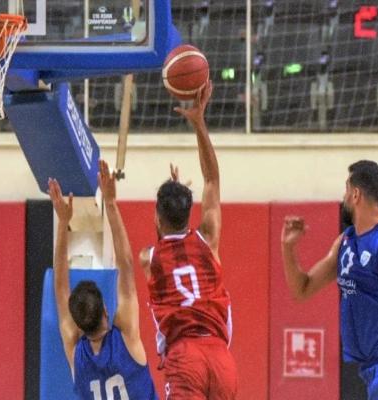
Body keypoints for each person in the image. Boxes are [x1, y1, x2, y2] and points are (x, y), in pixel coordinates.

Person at [281, 160, 378, 399]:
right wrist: (288, 248)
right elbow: (301, 290)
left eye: (346, 189)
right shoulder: (346, 242)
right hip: (373, 372)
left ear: (355, 194)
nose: (343, 195)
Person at [139, 81, 238, 400]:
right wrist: (199, 123)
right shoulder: (208, 239)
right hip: (221, 356)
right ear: (188, 212)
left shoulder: (148, 258)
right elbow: (212, 179)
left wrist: (170, 199)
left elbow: (164, 248)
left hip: (185, 356)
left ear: (156, 217)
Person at [49, 159, 157, 400]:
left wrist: (63, 223)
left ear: (77, 325)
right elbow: (126, 265)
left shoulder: (75, 353)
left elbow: (59, 286)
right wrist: (110, 203)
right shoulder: (126, 334)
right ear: (106, 311)